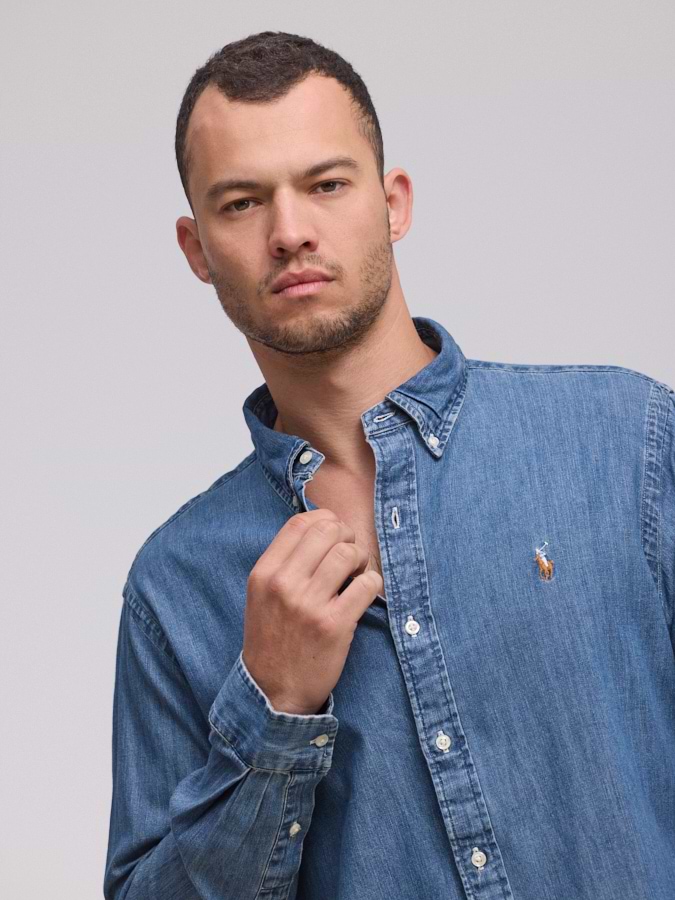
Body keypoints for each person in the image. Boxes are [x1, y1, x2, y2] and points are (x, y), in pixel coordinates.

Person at [104, 30, 675, 900]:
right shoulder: (175, 587)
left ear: (393, 201)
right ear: (196, 248)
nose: (289, 232)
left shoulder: (624, 441)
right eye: (242, 202)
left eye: (326, 185)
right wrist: (271, 707)